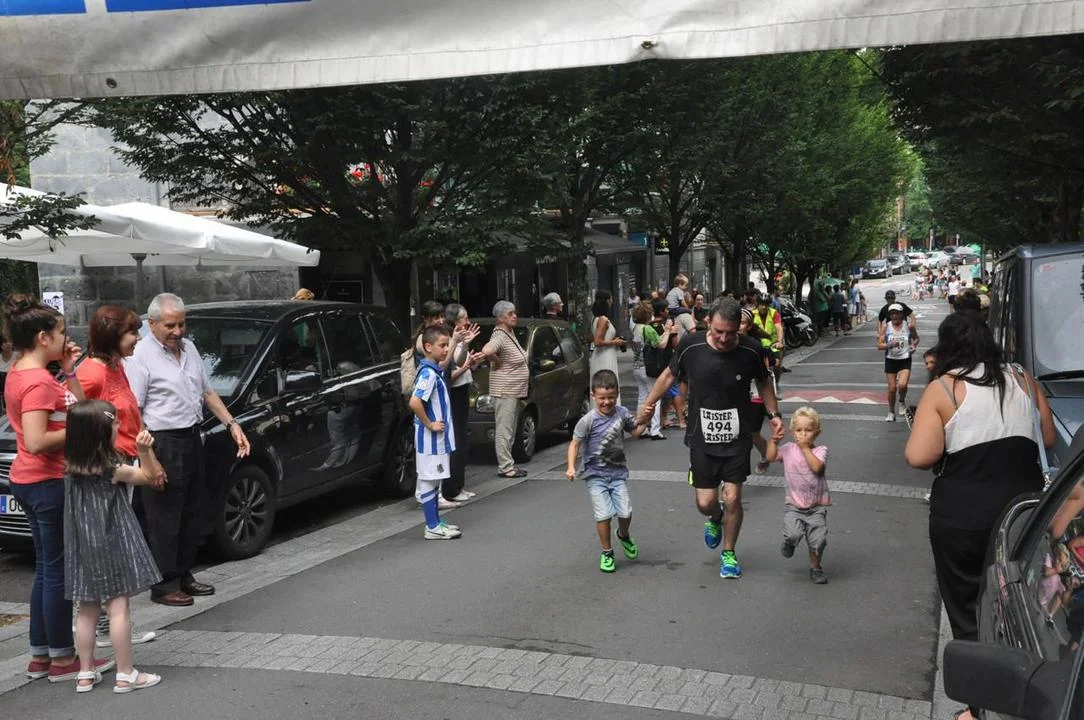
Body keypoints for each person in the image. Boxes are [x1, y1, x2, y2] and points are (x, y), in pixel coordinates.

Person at [905, 312, 1055, 720]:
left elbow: (918, 456)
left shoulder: (944, 388)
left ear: (947, 346)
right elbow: (1048, 437)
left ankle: (981, 707)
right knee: (1020, 602)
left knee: (968, 607)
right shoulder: (1022, 379)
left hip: (964, 518)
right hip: (1024, 517)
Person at [3, 295, 113, 684]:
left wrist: (68, 371)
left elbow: (79, 406)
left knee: (47, 568)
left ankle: (41, 655)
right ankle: (64, 660)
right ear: (43, 337)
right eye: (62, 333)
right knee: (57, 572)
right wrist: (84, 431)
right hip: (47, 482)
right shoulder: (36, 381)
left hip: (32, 480)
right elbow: (36, 440)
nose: (68, 339)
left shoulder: (25, 372)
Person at [638, 297, 784, 580]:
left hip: (737, 436)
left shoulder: (750, 349)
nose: (725, 338)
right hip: (701, 436)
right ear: (708, 323)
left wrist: (774, 414)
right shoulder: (691, 345)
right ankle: (715, 517)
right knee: (706, 502)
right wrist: (648, 405)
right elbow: (668, 376)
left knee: (733, 497)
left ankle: (729, 553)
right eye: (718, 332)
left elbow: (764, 381)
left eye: (731, 332)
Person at [126, 293, 251, 607]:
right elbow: (134, 410)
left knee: (193, 511)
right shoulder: (141, 355)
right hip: (161, 439)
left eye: (181, 324)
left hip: (192, 435)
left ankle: (182, 572)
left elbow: (206, 391)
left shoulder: (190, 349)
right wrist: (149, 458)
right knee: (164, 516)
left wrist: (231, 424)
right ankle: (164, 583)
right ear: (152, 324)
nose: (177, 331)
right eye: (170, 325)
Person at [77, 305, 163, 648]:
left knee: (115, 545)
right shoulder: (92, 373)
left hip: (126, 460)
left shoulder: (117, 366)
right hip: (108, 470)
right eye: (132, 333)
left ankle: (113, 624)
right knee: (107, 547)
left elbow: (131, 414)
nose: (138, 338)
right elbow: (79, 420)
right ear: (113, 337)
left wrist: (148, 456)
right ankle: (105, 625)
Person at [64, 400, 164, 693]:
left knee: (86, 610)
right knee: (119, 608)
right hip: (111, 543)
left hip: (81, 546)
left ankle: (84, 673)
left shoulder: (69, 469)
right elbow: (149, 477)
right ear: (101, 433)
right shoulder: (112, 469)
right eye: (114, 423)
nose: (119, 425)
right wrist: (144, 450)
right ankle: (126, 673)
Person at [565, 369, 648, 572]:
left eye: (611, 397)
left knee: (626, 512)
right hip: (595, 475)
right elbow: (574, 444)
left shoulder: (622, 414)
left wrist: (646, 419)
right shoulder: (588, 420)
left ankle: (623, 534)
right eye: (602, 398)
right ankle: (607, 552)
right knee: (603, 515)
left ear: (617, 394)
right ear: (593, 396)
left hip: (618, 473)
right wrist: (571, 467)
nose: (607, 402)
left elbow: (635, 432)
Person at [764, 407, 830, 584]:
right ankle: (790, 542)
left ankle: (816, 568)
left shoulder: (820, 450)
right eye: (799, 430)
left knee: (818, 541)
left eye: (808, 430)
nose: (803, 434)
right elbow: (770, 457)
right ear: (793, 432)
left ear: (817, 433)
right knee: (793, 533)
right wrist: (774, 441)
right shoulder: (788, 449)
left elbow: (817, 468)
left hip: (816, 507)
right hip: (794, 505)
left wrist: (805, 448)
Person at [409, 325, 462, 540]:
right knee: (429, 481)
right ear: (428, 347)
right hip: (431, 440)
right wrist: (430, 424)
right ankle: (432, 525)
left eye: (447, 345)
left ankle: (436, 522)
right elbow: (415, 402)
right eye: (442, 345)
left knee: (434, 480)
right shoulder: (428, 374)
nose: (446, 349)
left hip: (436, 439)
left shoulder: (433, 371)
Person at [481, 301, 529, 479]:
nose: (514, 316)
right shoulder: (500, 335)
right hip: (505, 390)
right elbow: (487, 350)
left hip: (513, 390)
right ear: (500, 318)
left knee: (510, 429)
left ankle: (508, 464)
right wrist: (496, 361)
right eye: (510, 314)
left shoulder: (509, 333)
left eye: (515, 313)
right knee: (505, 429)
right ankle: (505, 467)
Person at [442, 303, 484, 502]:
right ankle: (451, 488)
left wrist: (467, 349)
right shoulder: (448, 339)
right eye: (464, 318)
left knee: (461, 439)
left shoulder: (458, 338)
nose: (467, 321)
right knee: (456, 439)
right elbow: (451, 370)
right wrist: (466, 363)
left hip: (462, 389)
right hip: (454, 392)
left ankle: (459, 485)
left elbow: (461, 362)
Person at [629, 304, 667, 440]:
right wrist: (668, 332)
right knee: (655, 397)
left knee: (642, 397)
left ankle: (642, 428)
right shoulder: (647, 329)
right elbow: (660, 344)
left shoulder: (634, 329)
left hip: (637, 366)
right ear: (647, 315)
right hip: (648, 367)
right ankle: (655, 430)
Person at [878, 303, 919, 424]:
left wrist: (913, 345)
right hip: (891, 360)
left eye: (897, 313)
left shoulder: (909, 326)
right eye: (892, 314)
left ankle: (901, 401)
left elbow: (917, 338)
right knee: (892, 388)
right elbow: (879, 345)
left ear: (902, 314)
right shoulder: (886, 327)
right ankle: (891, 412)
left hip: (905, 359)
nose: (894, 316)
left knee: (902, 385)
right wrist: (889, 345)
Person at [589, 291, 625, 404]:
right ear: (606, 301)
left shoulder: (595, 319)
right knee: (606, 383)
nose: (612, 302)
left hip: (604, 354)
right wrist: (615, 342)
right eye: (610, 299)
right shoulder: (603, 319)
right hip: (604, 355)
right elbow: (597, 341)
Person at [751, 295, 784, 380]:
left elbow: (779, 328)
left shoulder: (774, 313)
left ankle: (776, 381)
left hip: (773, 344)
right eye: (761, 304)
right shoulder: (752, 314)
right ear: (758, 304)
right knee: (756, 368)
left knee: (777, 364)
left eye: (766, 304)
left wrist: (779, 341)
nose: (764, 307)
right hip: (758, 345)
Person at [0, 337, 18, 411]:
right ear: (1, 345)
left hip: (15, 386)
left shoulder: (18, 356)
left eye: (10, 341)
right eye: (5, 342)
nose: (8, 344)